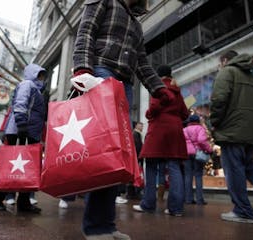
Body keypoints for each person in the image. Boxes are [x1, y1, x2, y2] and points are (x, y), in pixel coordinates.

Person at [73, 0, 175, 238]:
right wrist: (82, 69)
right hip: (100, 75)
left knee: (116, 154)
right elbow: (85, 32)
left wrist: (159, 89)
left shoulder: (136, 25)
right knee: (104, 152)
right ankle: (95, 227)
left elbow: (142, 62)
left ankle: (107, 224)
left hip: (125, 84)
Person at [210, 50, 253, 223]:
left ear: (225, 61)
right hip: (250, 132)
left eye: (220, 63)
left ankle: (243, 211)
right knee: (251, 169)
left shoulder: (227, 72)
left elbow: (219, 100)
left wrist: (215, 123)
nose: (219, 67)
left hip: (232, 132)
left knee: (234, 170)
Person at [0, 64, 47, 213]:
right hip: (21, 131)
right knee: (12, 166)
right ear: (33, 74)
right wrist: (21, 124)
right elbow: (21, 103)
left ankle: (24, 201)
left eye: (43, 75)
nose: (42, 78)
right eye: (40, 75)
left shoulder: (38, 91)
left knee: (28, 168)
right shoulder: (27, 85)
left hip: (30, 132)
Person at [132, 65, 189, 216]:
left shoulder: (158, 87)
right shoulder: (177, 90)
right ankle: (175, 208)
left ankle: (148, 204)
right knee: (174, 166)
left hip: (158, 129)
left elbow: (154, 107)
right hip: (175, 129)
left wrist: (148, 113)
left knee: (150, 165)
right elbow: (185, 113)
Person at [183, 114, 213, 205]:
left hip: (186, 154)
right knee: (198, 176)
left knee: (188, 176)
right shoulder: (200, 128)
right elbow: (201, 140)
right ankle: (199, 199)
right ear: (198, 121)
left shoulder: (184, 129)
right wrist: (209, 150)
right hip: (197, 153)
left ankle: (188, 199)